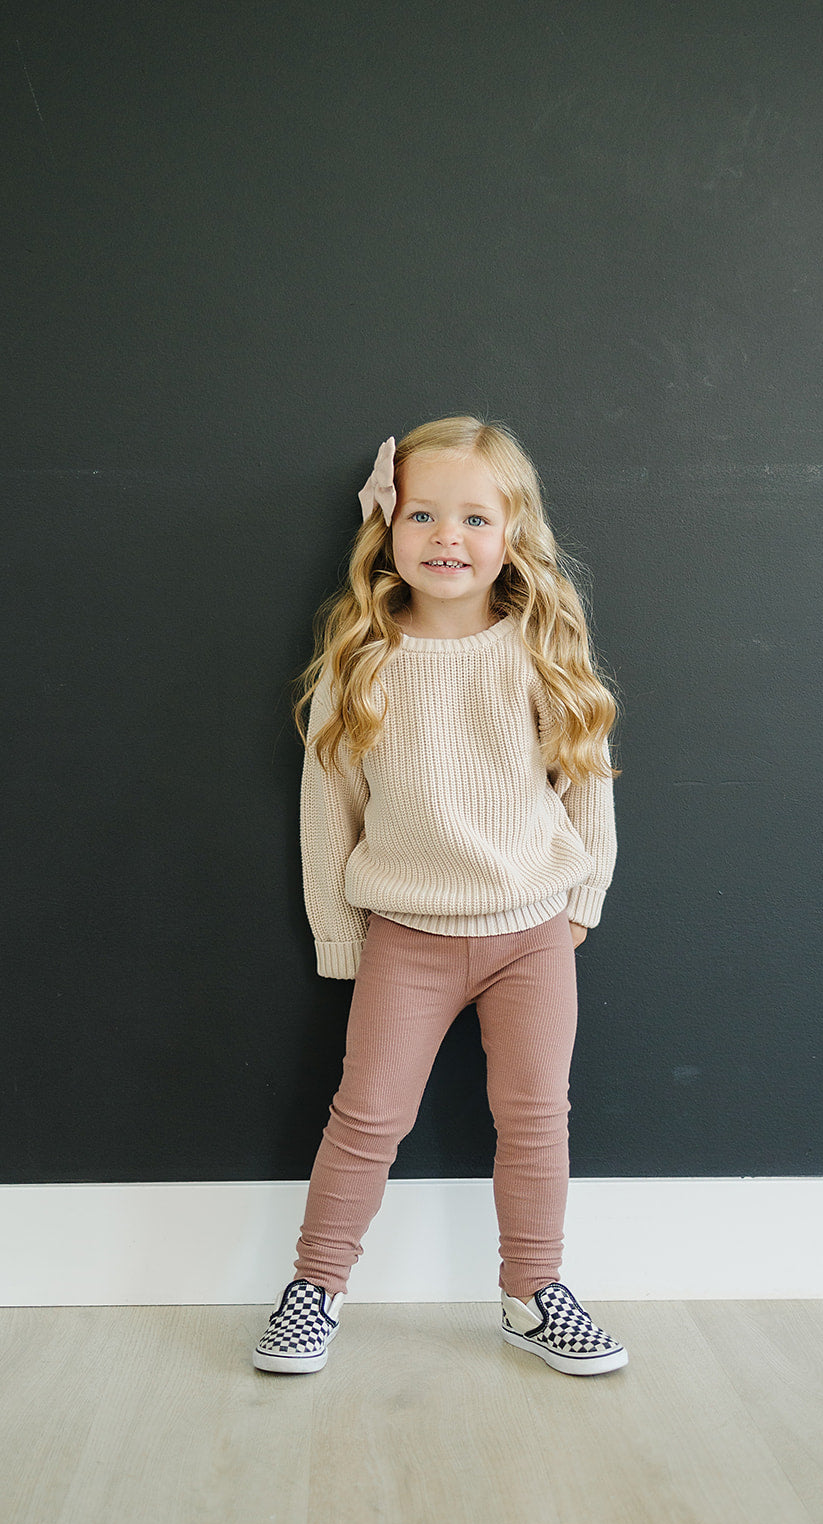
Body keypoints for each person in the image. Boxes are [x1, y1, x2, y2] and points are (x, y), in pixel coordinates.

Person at [253, 416, 627, 1378]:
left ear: (511, 534)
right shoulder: (364, 659)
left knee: (537, 1116)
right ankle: (314, 1287)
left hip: (532, 933)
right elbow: (324, 807)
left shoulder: (537, 648)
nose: (445, 537)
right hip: (406, 935)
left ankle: (533, 1292)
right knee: (366, 1116)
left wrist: (584, 893)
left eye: (472, 516)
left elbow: (586, 772)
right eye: (420, 514)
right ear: (386, 529)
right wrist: (337, 938)